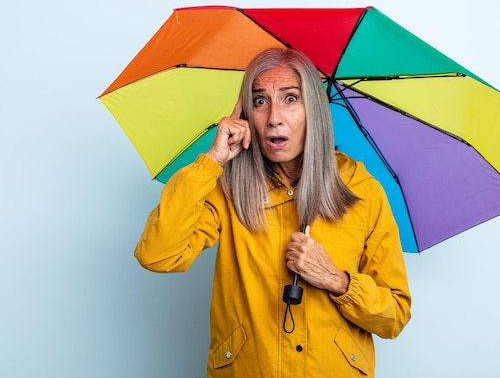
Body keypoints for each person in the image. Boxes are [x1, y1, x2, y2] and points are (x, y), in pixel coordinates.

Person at [134, 47, 412, 377]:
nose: (274, 117)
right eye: (260, 100)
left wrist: (337, 281)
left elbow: (394, 316)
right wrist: (212, 161)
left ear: (314, 112)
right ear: (245, 114)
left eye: (290, 99)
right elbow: (157, 255)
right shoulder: (227, 187)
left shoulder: (361, 190)